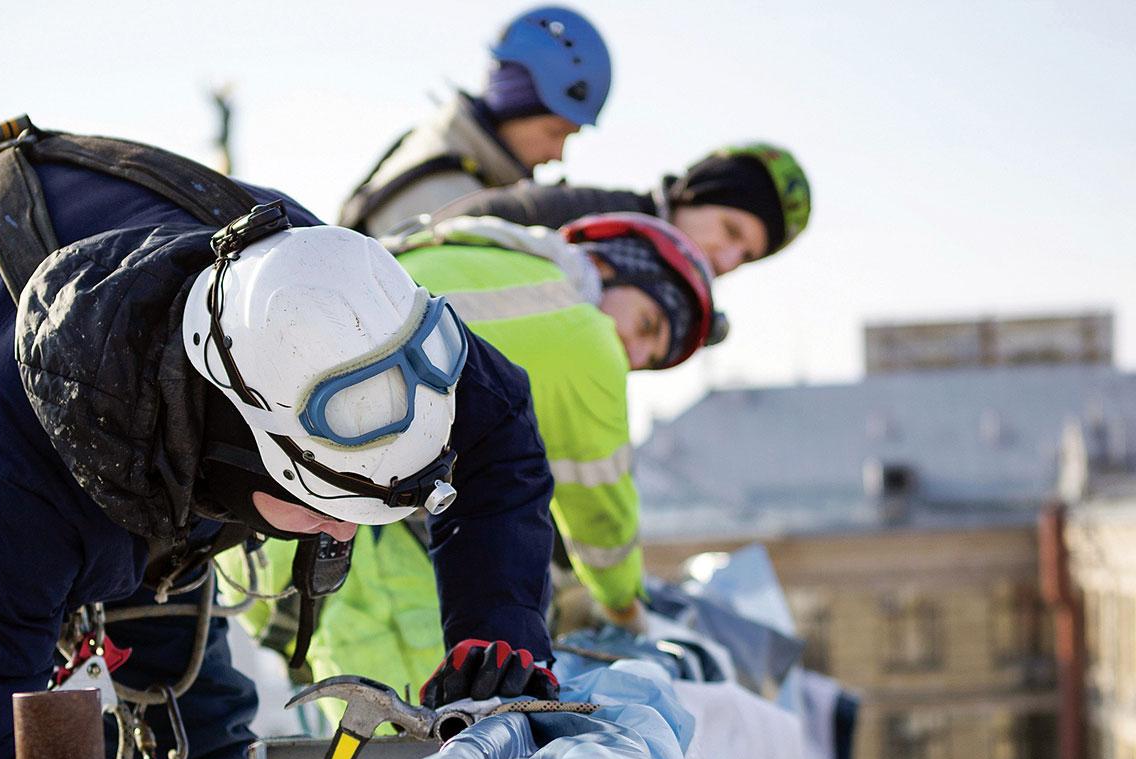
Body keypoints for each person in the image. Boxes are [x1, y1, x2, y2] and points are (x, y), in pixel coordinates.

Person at [0, 120, 559, 759]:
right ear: (241, 455)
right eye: (328, 506)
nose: (345, 533)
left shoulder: (349, 307)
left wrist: (498, 626)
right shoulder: (5, 480)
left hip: (139, 424)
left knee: (192, 704)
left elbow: (498, 427)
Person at [232, 211, 714, 708]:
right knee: (429, 753)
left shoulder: (477, 254)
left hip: (285, 509)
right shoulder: (585, 335)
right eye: (645, 325)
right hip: (377, 538)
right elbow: (599, 512)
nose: (632, 352)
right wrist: (626, 607)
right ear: (610, 270)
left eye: (648, 360)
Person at [338, 5, 611, 237]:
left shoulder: (450, 154)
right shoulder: (446, 198)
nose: (558, 154)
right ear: (514, 109)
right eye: (555, 132)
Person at [433, 142, 812, 276]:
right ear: (696, 192)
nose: (728, 261)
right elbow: (449, 227)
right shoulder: (591, 214)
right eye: (731, 230)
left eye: (746, 257)